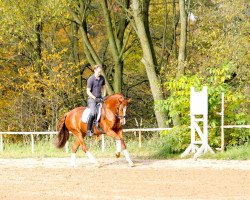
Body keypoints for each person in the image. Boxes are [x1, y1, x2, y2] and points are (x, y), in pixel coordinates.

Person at [86, 64, 106, 136]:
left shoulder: (102, 78)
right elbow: (88, 91)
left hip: (100, 98)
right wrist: (95, 98)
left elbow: (104, 87)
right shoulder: (90, 79)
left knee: (105, 111)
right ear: (95, 71)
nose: (100, 73)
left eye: (100, 72)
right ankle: (88, 130)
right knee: (93, 113)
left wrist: (104, 96)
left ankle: (101, 127)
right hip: (92, 99)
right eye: (98, 72)